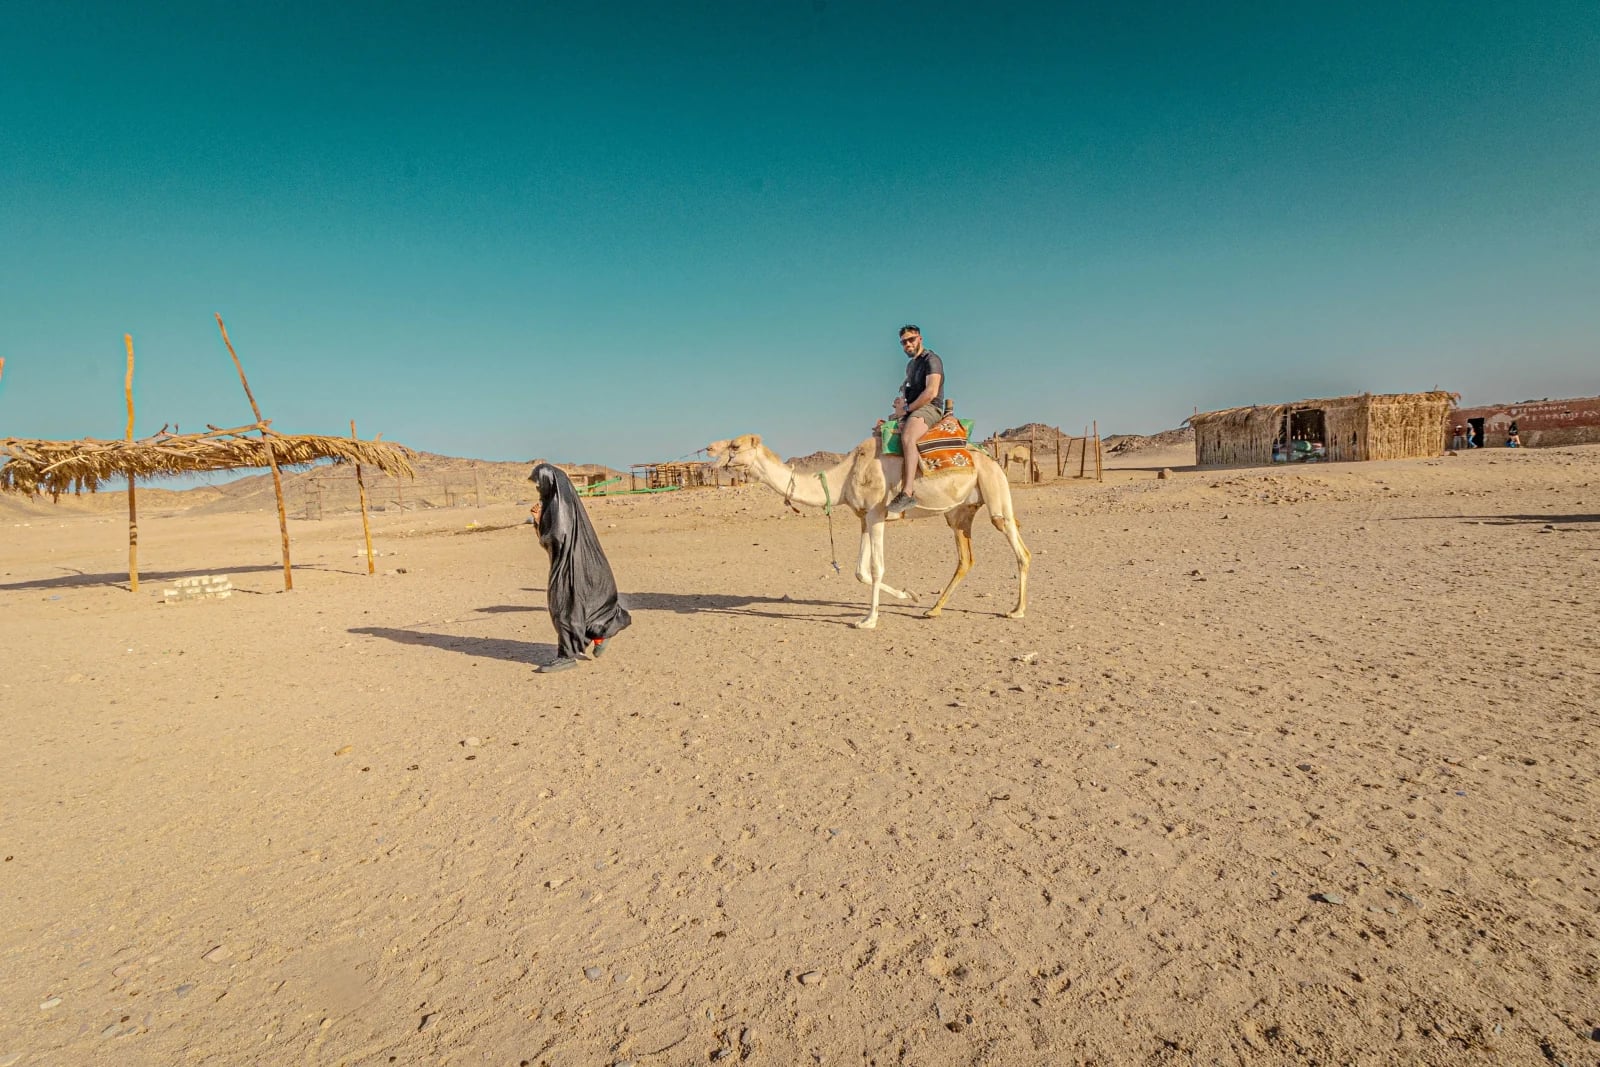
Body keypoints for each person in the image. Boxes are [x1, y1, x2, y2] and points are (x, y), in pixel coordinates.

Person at [528, 463, 632, 673]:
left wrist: (539, 522)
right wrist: (540, 522)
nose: (538, 489)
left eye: (539, 484)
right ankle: (601, 633)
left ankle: (566, 656)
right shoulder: (563, 502)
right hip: (576, 562)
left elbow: (556, 538)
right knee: (579, 602)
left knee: (564, 606)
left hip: (569, 565)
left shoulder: (559, 506)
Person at [886, 324, 945, 515]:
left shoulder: (932, 360)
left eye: (911, 340)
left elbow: (931, 392)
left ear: (920, 338)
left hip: (930, 408)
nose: (908, 344)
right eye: (904, 342)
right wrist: (900, 407)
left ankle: (907, 492)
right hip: (912, 408)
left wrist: (907, 409)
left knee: (908, 437)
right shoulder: (911, 365)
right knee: (883, 431)